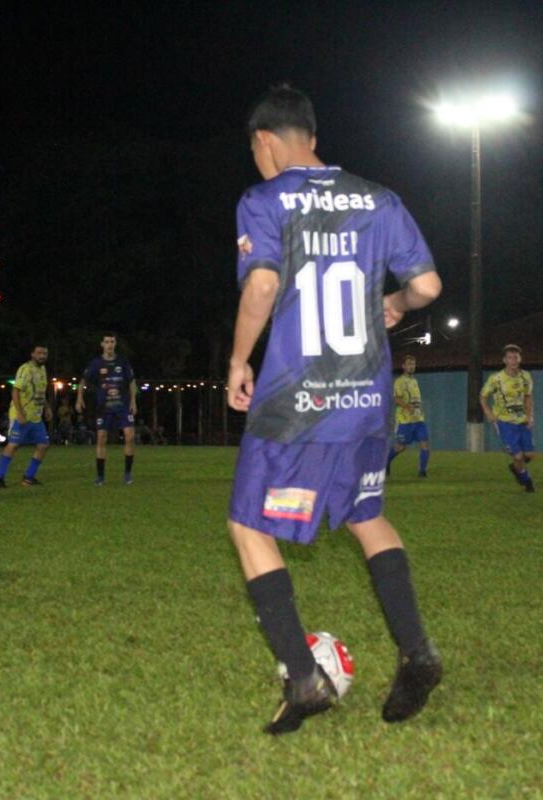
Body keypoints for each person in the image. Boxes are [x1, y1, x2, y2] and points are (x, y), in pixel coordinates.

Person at [227, 85, 444, 735]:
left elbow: (263, 282)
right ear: (313, 138)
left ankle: (303, 677)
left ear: (265, 143)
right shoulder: (379, 198)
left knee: (248, 525)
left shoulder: (265, 199)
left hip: (298, 401)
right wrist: (396, 304)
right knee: (365, 515)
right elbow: (427, 285)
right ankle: (418, 652)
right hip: (366, 397)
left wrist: (239, 359)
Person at [75, 333, 137, 485]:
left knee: (129, 436)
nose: (110, 344)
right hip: (104, 407)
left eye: (112, 341)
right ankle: (100, 477)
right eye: (107, 342)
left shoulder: (122, 361)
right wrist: (79, 398)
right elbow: (83, 381)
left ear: (115, 344)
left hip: (122, 405)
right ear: (102, 344)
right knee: (101, 438)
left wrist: (133, 401)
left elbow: (131, 382)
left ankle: (127, 474)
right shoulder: (96, 363)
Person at [0, 345, 52, 487]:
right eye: (39, 353)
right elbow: (15, 391)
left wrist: (47, 407)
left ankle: (28, 477)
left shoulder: (42, 370)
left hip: (35, 416)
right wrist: (19, 413)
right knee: (13, 445)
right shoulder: (25, 369)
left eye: (44, 353)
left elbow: (40, 392)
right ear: (32, 354)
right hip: (22, 414)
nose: (42, 356)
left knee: (43, 445)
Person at [480, 344, 537, 492]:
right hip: (504, 422)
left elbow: (528, 397)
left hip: (522, 420)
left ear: (520, 359)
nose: (513, 360)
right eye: (510, 357)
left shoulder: (525, 376)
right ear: (504, 360)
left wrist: (530, 416)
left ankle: (515, 468)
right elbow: (483, 396)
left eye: (516, 357)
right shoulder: (496, 379)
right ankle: (526, 480)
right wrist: (488, 412)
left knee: (529, 455)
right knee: (518, 456)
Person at [387, 354, 430, 477]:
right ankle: (385, 463)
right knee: (400, 447)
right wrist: (407, 406)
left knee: (425, 443)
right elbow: (396, 399)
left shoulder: (414, 381)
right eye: (409, 364)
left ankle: (422, 472)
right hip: (405, 421)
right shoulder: (400, 381)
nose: (411, 366)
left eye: (413, 364)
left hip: (418, 420)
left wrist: (418, 409)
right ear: (403, 366)